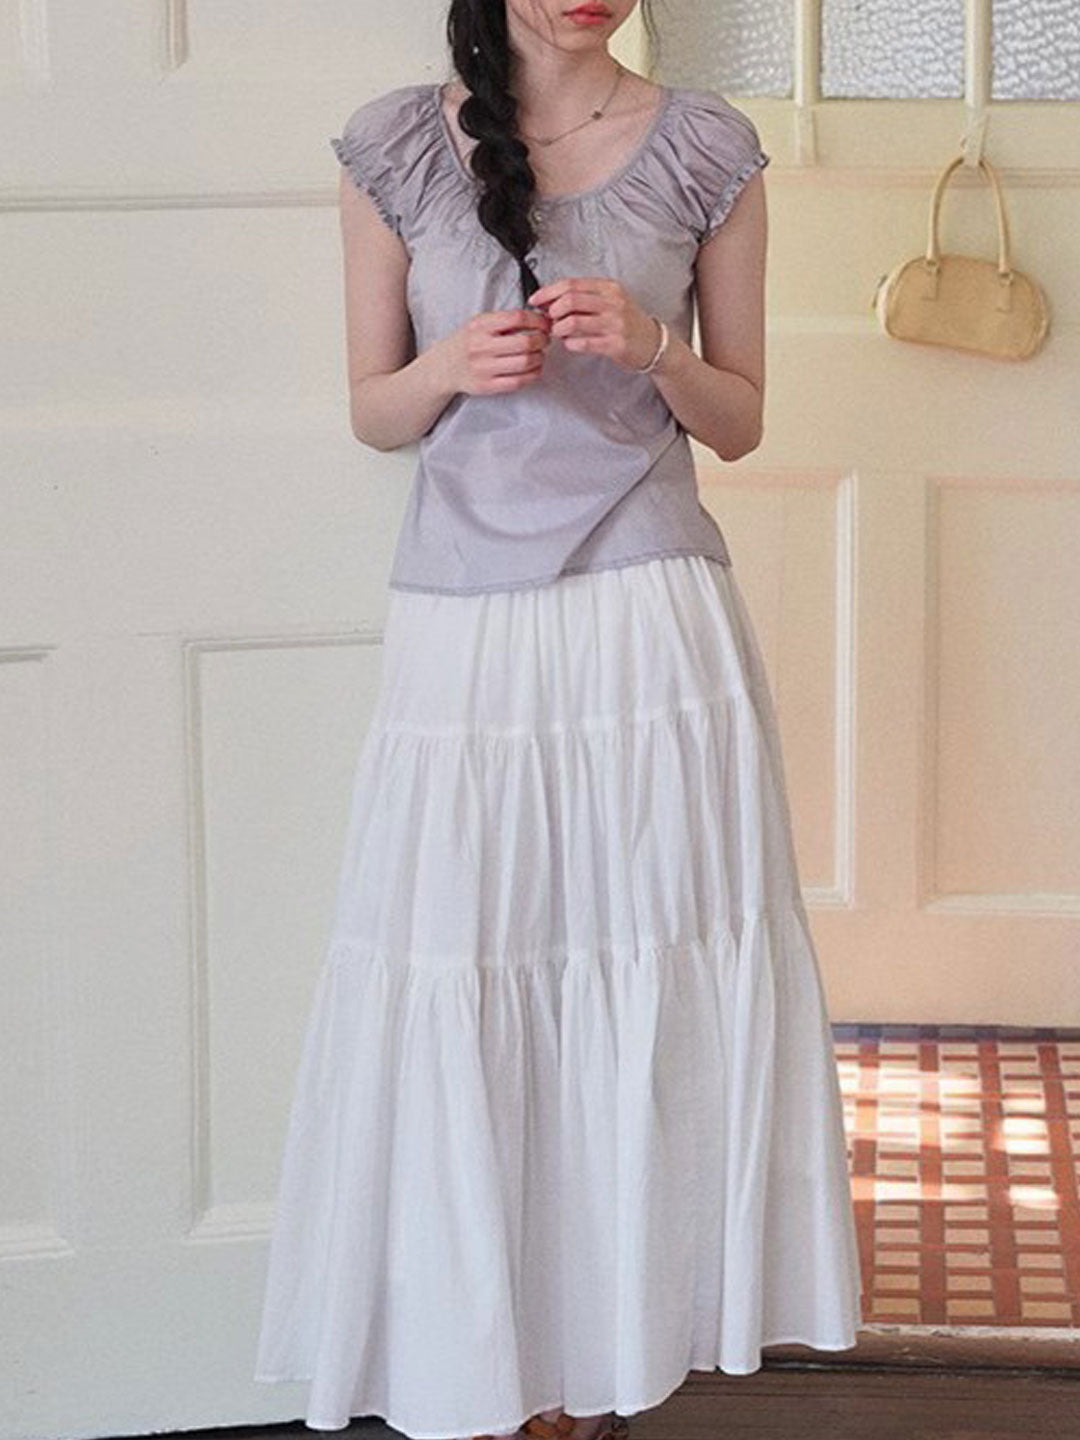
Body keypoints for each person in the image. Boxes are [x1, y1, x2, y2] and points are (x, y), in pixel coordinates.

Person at [253, 3, 863, 1438]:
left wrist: (653, 346)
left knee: (643, 970)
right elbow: (372, 410)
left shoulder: (706, 146)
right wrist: (446, 370)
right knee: (468, 966)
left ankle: (605, 1369)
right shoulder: (396, 146)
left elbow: (741, 419)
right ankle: (488, 1367)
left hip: (650, 621)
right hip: (466, 635)